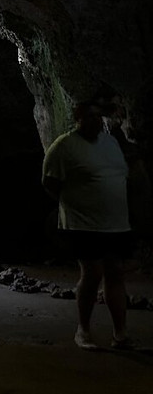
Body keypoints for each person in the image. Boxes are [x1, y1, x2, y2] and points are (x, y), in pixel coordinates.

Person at [42, 97, 134, 350]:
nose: (96, 121)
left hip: (116, 223)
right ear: (78, 119)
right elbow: (50, 183)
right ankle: (83, 331)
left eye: (98, 116)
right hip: (84, 224)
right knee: (92, 274)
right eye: (90, 116)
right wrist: (75, 204)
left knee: (115, 273)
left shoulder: (110, 143)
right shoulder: (65, 146)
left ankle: (121, 334)